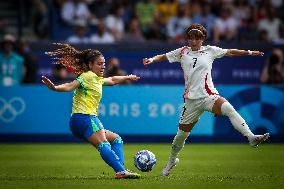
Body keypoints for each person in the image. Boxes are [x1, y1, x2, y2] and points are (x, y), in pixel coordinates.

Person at [143, 23, 270, 177]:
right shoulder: (182, 52)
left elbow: (230, 52)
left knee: (229, 108)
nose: (193, 41)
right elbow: (164, 56)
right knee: (180, 137)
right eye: (190, 37)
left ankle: (251, 137)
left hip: (209, 96)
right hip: (191, 102)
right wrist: (151, 59)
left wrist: (250, 52)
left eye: (197, 38)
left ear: (202, 38)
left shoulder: (210, 50)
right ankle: (171, 161)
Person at [42, 43, 141, 179]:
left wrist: (127, 77)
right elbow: (71, 85)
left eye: (104, 63)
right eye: (99, 64)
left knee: (116, 139)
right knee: (104, 144)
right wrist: (55, 88)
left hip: (79, 121)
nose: (103, 66)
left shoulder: (96, 79)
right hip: (85, 117)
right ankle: (121, 171)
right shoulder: (87, 76)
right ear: (90, 64)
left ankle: (121, 169)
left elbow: (112, 79)